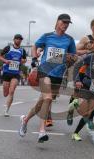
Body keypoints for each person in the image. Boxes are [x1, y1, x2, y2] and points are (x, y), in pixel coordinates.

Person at [18, 13, 76, 143]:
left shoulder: (70, 40)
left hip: (58, 75)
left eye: (67, 23)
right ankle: (42, 131)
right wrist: (34, 59)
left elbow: (73, 56)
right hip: (44, 71)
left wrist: (70, 59)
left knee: (42, 103)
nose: (65, 25)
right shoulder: (47, 36)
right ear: (57, 22)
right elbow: (35, 46)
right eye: (63, 22)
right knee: (48, 98)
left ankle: (25, 119)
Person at [66, 18, 94, 128]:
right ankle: (70, 111)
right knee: (77, 94)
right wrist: (89, 51)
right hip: (82, 68)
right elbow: (75, 51)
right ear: (92, 27)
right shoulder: (85, 39)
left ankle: (90, 118)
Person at [0, 34, 27, 117]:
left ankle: (6, 110)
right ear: (14, 40)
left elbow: (24, 59)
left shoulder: (22, 50)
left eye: (20, 39)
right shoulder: (8, 48)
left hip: (16, 73)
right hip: (7, 72)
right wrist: (5, 60)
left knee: (12, 91)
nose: (18, 40)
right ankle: (6, 95)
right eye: (17, 39)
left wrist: (22, 61)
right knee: (5, 93)